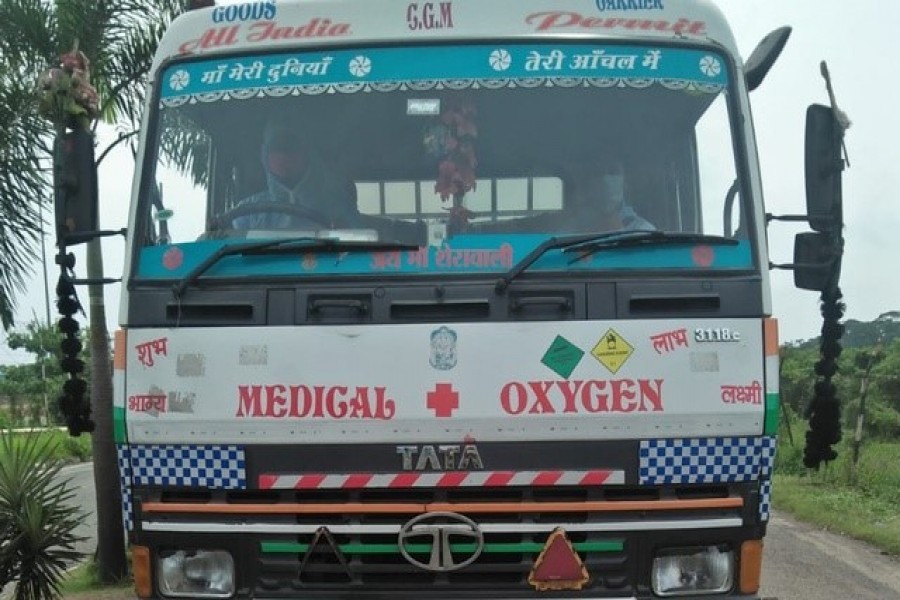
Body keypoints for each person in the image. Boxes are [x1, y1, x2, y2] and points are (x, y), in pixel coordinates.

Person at [231, 119, 359, 230]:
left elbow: (355, 244)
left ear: (308, 153)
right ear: (265, 154)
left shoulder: (338, 208)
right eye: (277, 147)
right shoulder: (245, 212)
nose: (284, 155)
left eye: (291, 146)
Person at [573, 157, 655, 232]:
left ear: (625, 180)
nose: (605, 178)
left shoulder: (643, 231)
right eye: (598, 172)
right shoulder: (572, 229)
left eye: (613, 171)